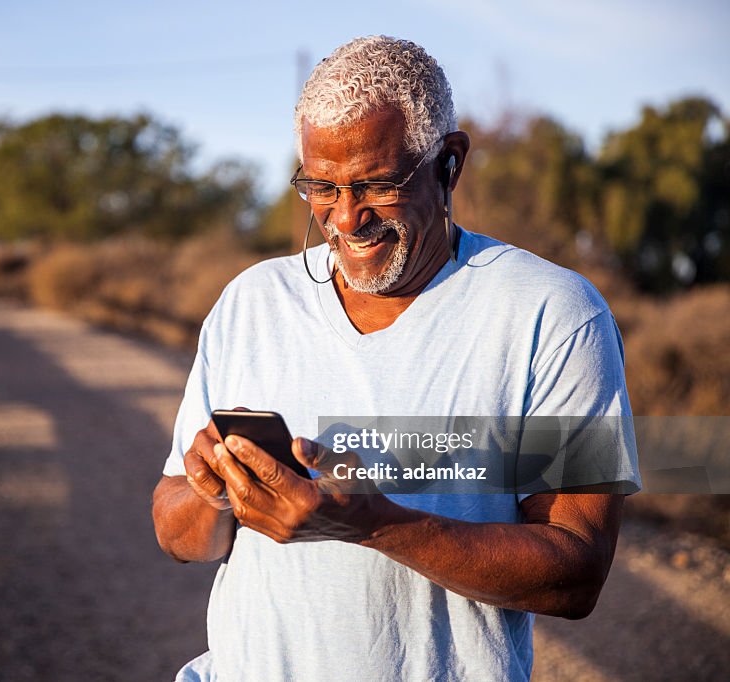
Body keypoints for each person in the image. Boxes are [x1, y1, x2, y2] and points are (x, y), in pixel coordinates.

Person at [152, 35, 640, 682]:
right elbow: (175, 530)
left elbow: (576, 572)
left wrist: (372, 524)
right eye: (320, 186)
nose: (346, 219)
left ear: (450, 163)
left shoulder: (555, 316)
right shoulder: (251, 303)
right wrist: (213, 493)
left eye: (377, 184)